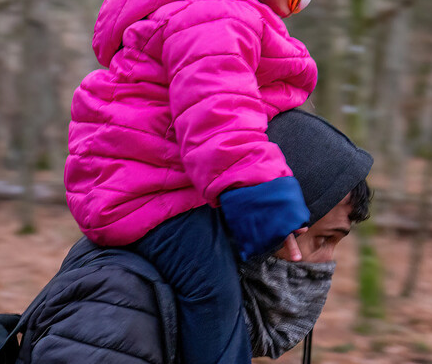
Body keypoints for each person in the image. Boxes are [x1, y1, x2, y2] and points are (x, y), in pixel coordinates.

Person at [64, 0, 327, 364]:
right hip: (142, 188)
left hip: (153, 178)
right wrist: (267, 208)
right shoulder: (213, 14)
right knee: (213, 291)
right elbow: (221, 119)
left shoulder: (214, 10)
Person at [22, 109, 373, 364]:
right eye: (324, 239)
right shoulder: (123, 310)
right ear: (257, 224)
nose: (327, 264)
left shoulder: (186, 310)